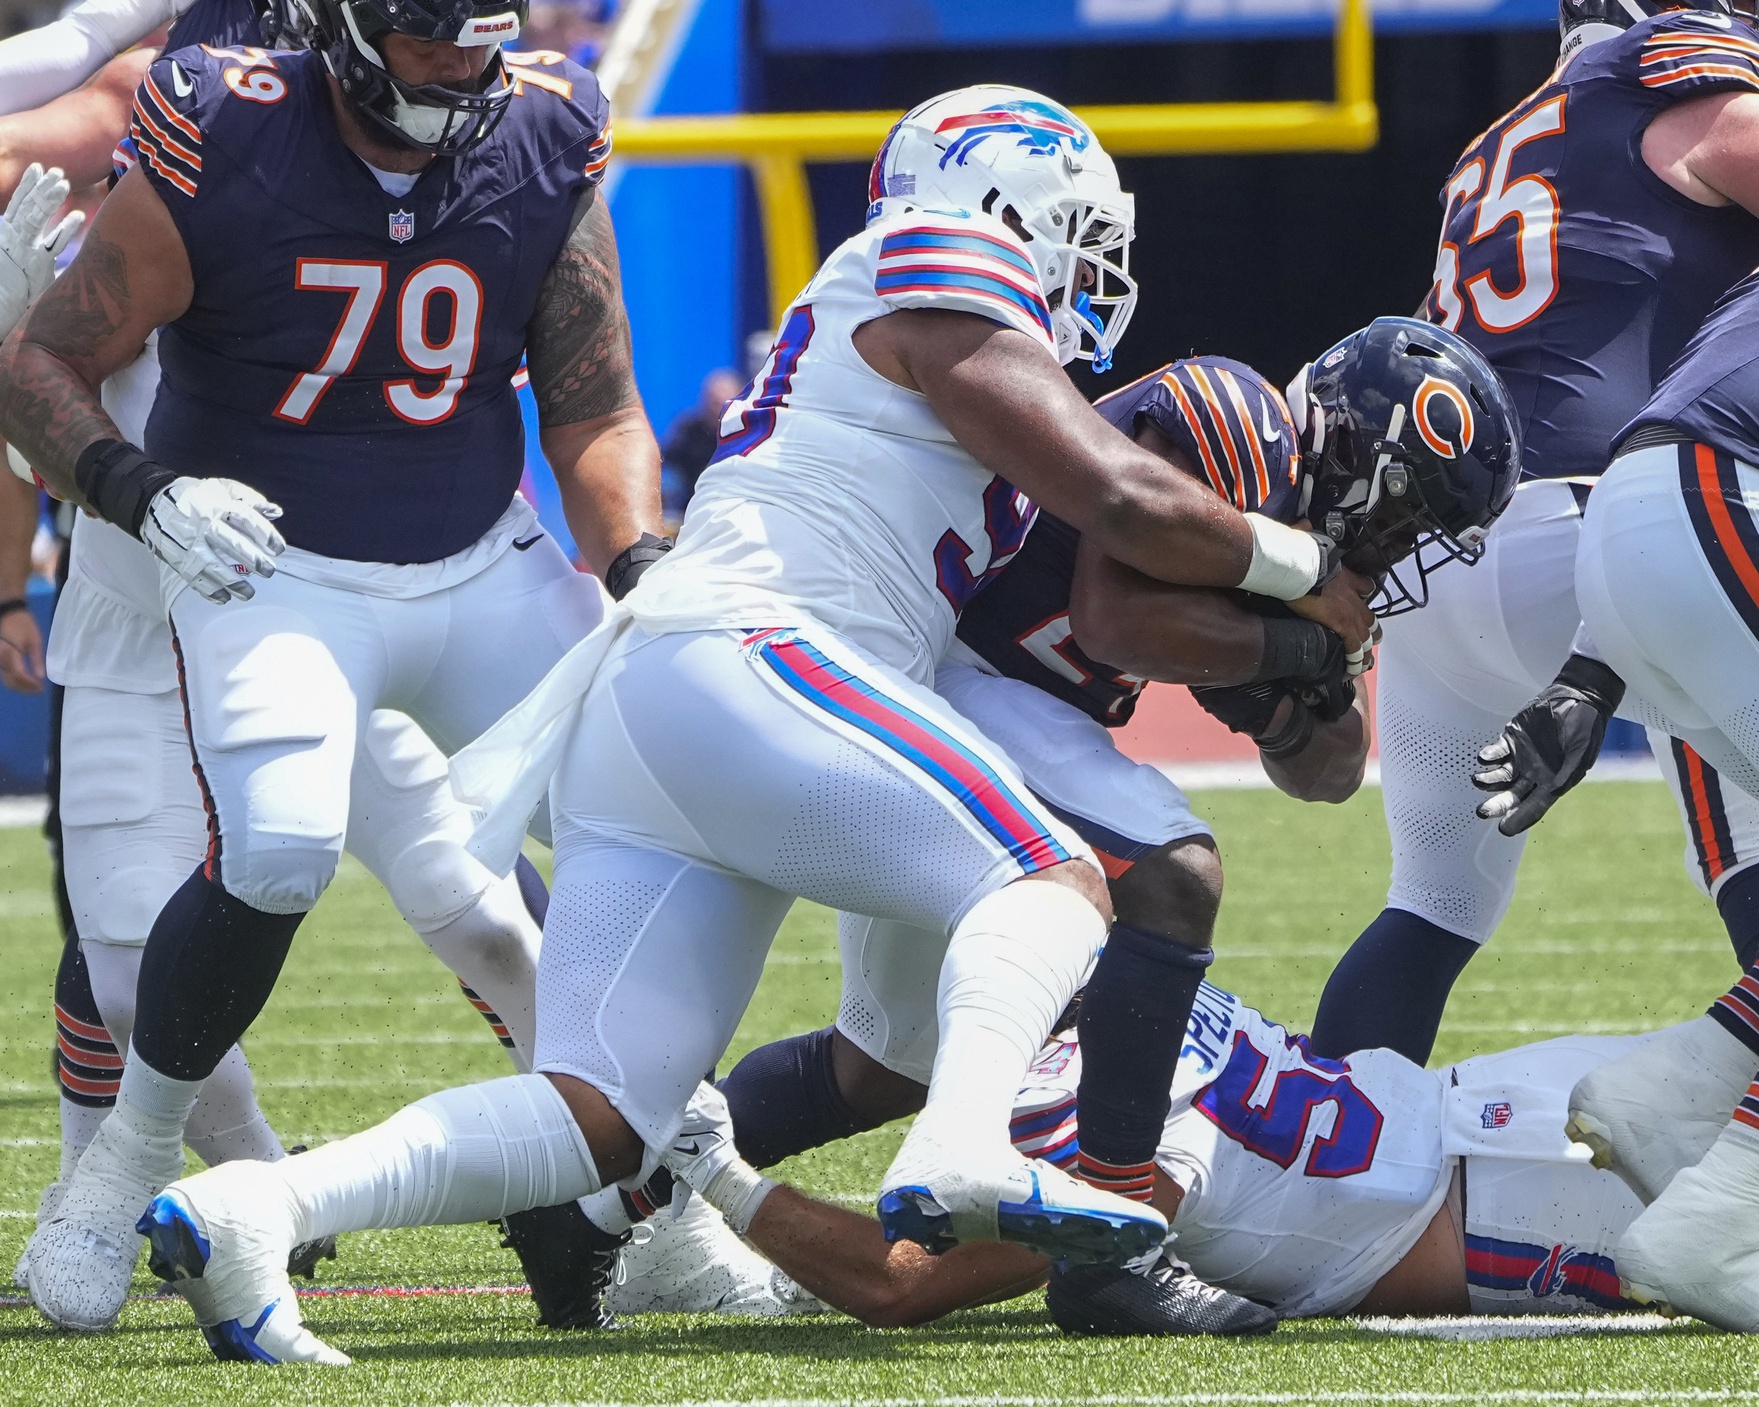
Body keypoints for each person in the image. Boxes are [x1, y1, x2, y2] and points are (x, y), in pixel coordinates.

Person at [128, 83, 1376, 1366]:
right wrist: (1302, 573)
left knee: (603, 1119)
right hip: (752, 653)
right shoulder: (940, 255)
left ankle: (253, 1210)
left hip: (662, 712)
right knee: (1050, 874)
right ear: (1009, 198)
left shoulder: (921, 308)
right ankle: (960, 1148)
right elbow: (1115, 494)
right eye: (1078, 224)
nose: (1092, 262)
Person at [0, 0, 663, 1344]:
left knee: (587, 863)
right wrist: (89, 506)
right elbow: (45, 364)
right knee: (178, 930)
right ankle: (144, 1177)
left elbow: (591, 390)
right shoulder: (191, 106)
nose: (454, 62)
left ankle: (679, 1203)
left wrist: (644, 566)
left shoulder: (537, 122)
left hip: (441, 551)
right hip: (198, 573)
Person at [712, 321, 1518, 1336]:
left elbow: (1324, 770)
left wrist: (1304, 668)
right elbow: (1111, 618)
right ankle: (1115, 1243)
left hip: (997, 716)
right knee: (1174, 874)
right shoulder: (1234, 415)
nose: (1401, 546)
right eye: (1406, 511)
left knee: (883, 1067)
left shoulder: (1292, 542)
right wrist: (1292, 631)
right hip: (954, 680)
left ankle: (613, 1178)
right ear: (1358, 450)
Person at [1309, 0, 1759, 1067]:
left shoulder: (1507, 135)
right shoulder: (1676, 61)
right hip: (1604, 534)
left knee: (1428, 905)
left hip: (1440, 558)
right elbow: (1737, 140)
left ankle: (1312, 1177)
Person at [1466, 262, 1759, 1331]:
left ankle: (1681, 1089)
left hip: (1647, 523)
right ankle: (1722, 1220)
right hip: (1717, 506)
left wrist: (1594, 668)